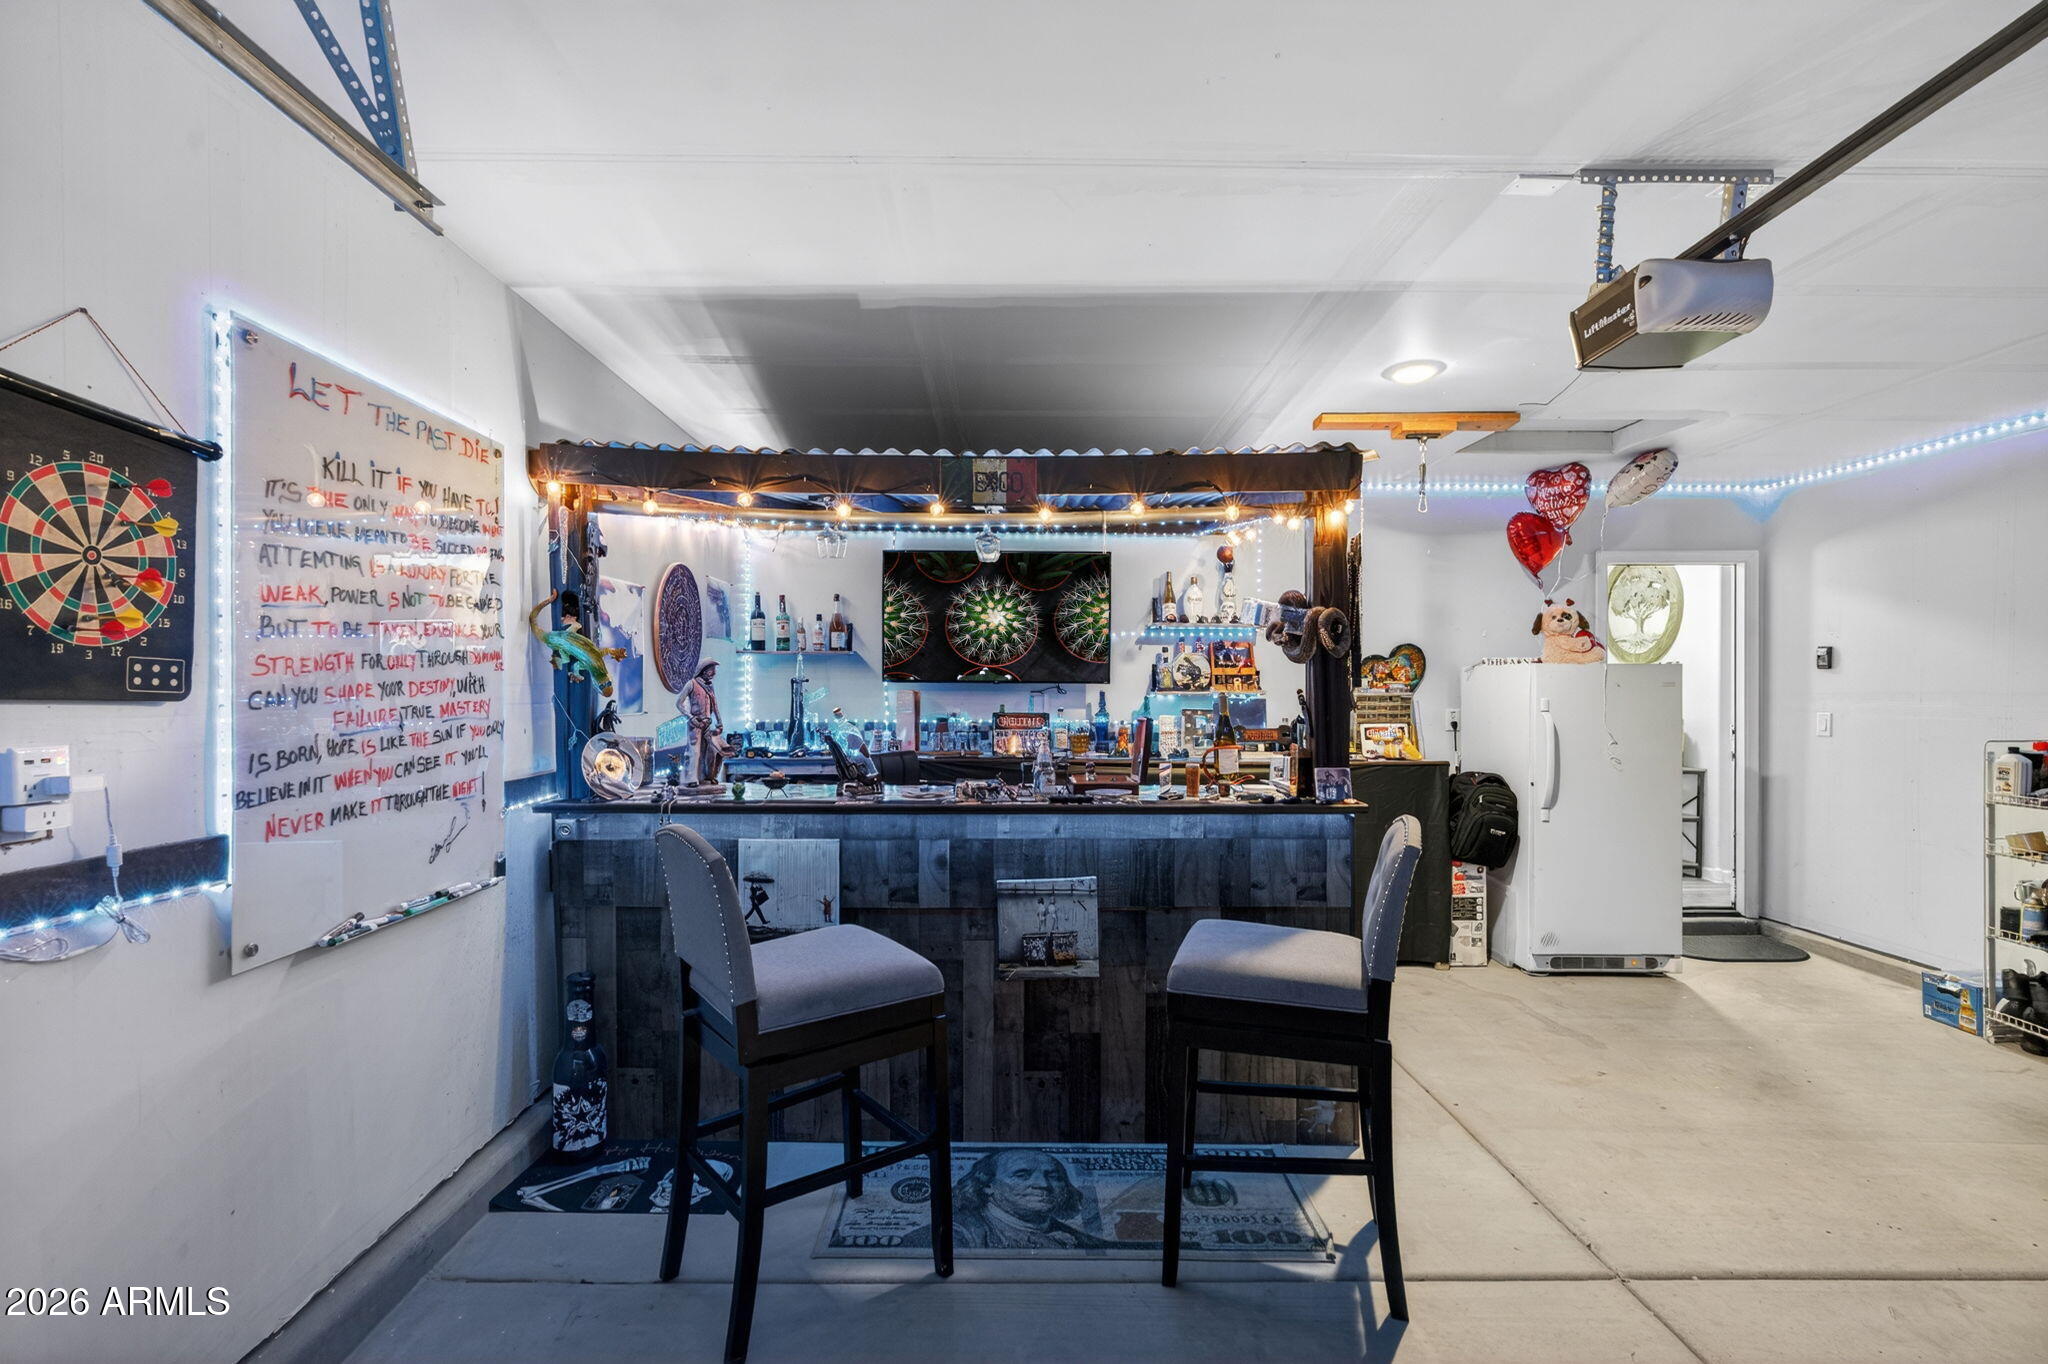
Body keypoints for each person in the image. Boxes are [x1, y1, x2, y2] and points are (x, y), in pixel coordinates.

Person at [901, 1148, 1114, 1251]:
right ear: (987, 1186)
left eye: (1054, 1176)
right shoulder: (951, 1235)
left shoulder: (1085, 1241)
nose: (1043, 1185)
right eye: (1021, 1175)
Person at [678, 660, 734, 783]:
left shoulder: (710, 686)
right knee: (695, 751)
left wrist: (719, 722)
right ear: (703, 670)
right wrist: (690, 717)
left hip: (708, 724)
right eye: (711, 670)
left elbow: (715, 705)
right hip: (695, 724)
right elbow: (679, 703)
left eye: (714, 671)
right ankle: (692, 779)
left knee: (711, 751)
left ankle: (707, 776)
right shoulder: (691, 684)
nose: (713, 673)